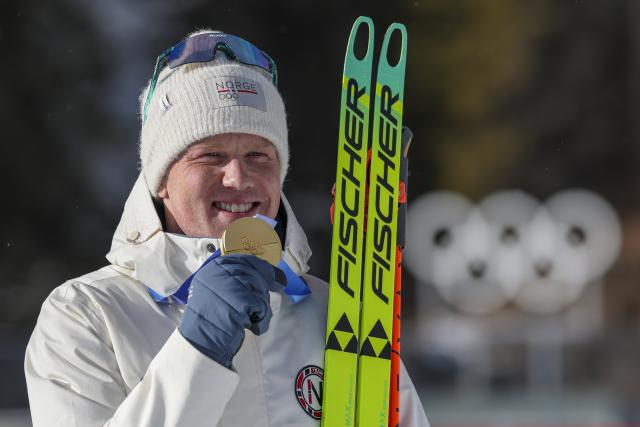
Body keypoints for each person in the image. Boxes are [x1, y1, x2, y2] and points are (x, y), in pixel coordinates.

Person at [24, 29, 430, 426]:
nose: (238, 177)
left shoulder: (336, 313)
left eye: (259, 155)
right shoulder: (86, 314)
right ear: (160, 179)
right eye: (210, 155)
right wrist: (199, 351)